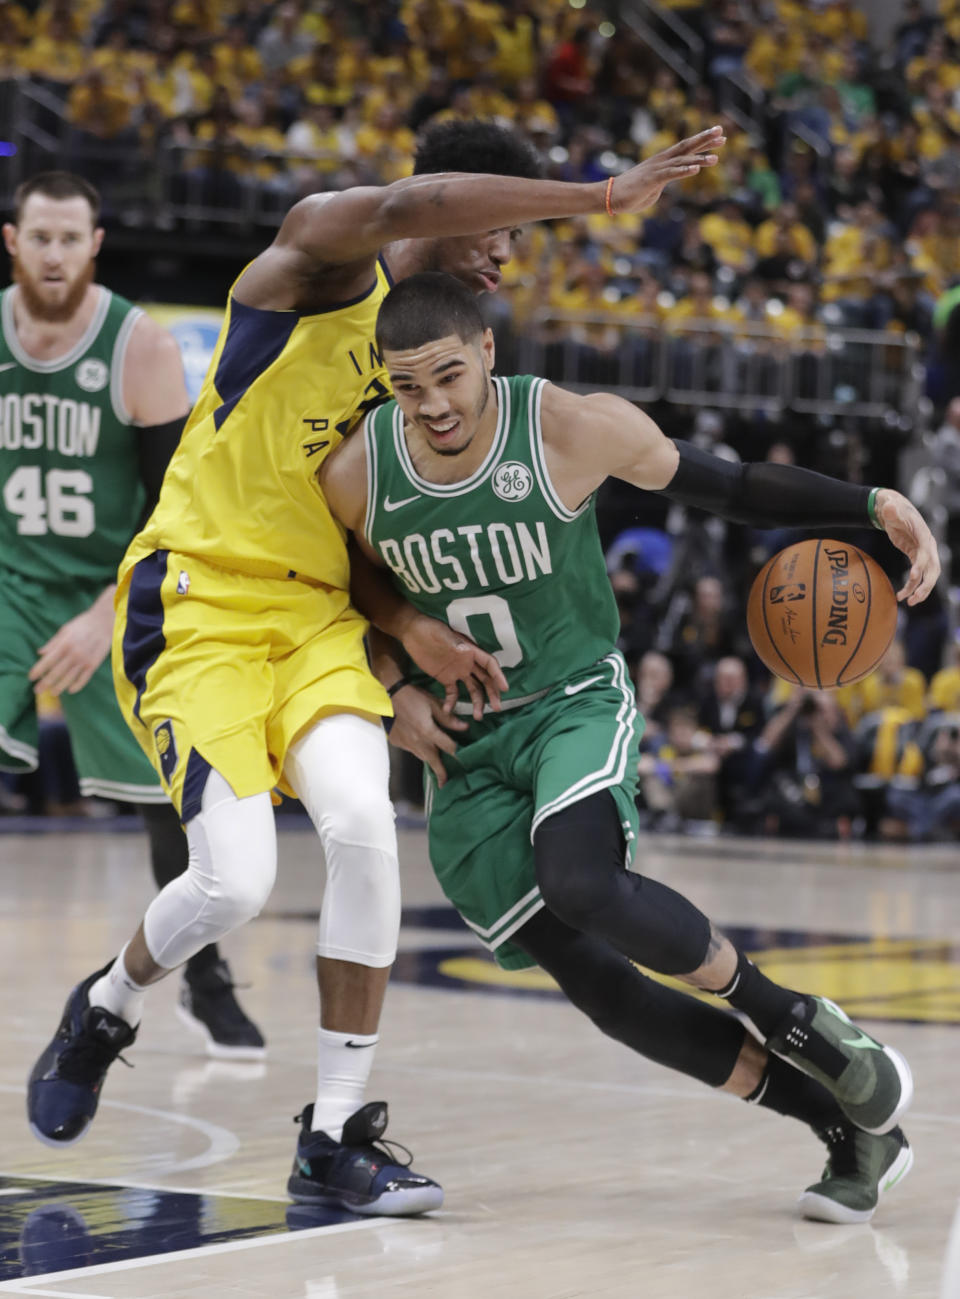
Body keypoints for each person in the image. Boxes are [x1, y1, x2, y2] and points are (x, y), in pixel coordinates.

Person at [27, 120, 730, 1216]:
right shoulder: (312, 261)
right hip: (201, 605)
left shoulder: (431, 387)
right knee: (237, 880)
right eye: (493, 232)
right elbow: (407, 204)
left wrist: (407, 640)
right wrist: (597, 195)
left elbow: (361, 547)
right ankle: (109, 1002)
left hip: (316, 626)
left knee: (364, 832)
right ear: (449, 215)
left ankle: (338, 1131)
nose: (502, 258)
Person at [320, 271, 941, 1224]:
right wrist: (397, 679)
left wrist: (868, 504)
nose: (433, 404)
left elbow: (727, 484)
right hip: (464, 739)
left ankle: (797, 1017)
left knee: (579, 879)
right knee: (602, 990)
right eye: (409, 386)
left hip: (570, 697)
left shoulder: (565, 427)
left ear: (487, 351)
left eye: (448, 374)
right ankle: (846, 1125)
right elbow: (336, 589)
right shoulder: (359, 472)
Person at [1, 171, 264, 1059]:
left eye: (71, 238)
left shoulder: (139, 346)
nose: (54, 253)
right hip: (8, 580)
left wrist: (102, 613)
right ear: (13, 240)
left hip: (112, 588)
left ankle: (205, 976)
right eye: (40, 236)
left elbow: (173, 515)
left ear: (95, 245)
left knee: (167, 800)